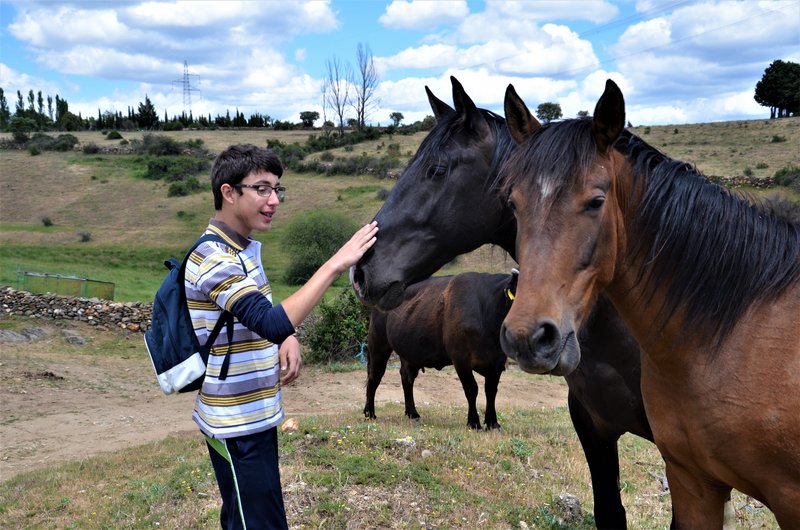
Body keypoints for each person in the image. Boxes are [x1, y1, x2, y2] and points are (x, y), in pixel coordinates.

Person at [183, 143, 378, 529]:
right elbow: (270, 321)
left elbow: (262, 315)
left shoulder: (242, 250)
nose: (274, 200)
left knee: (248, 517)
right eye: (262, 189)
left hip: (256, 414)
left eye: (277, 189)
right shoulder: (213, 258)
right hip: (235, 421)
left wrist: (286, 338)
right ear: (228, 192)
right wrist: (336, 263)